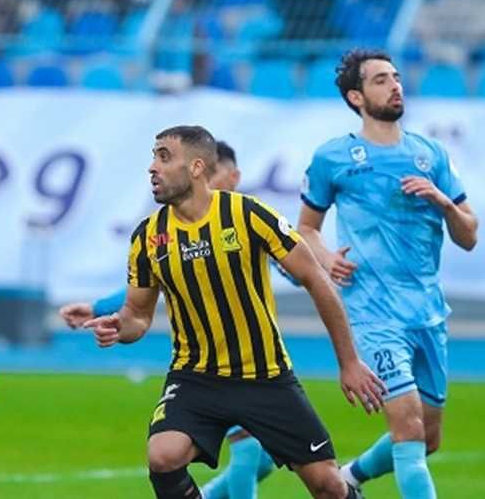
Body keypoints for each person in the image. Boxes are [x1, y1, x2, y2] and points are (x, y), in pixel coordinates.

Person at [83, 125, 384, 499]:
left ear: (196, 167)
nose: (152, 167)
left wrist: (349, 362)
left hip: (265, 376)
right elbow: (137, 315)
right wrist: (120, 326)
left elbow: (316, 279)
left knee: (328, 487)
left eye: (164, 157)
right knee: (163, 456)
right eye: (153, 157)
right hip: (196, 377)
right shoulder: (148, 236)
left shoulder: (247, 214)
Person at [298, 49, 478, 499]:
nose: (395, 85)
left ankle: (349, 479)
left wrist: (443, 202)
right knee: (409, 429)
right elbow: (306, 229)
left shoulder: (430, 154)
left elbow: (469, 235)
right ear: (356, 97)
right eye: (381, 80)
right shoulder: (334, 158)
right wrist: (324, 257)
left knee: (428, 438)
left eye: (396, 77)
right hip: (372, 313)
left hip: (428, 312)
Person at [61, 140, 278, 499]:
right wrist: (100, 307)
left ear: (233, 177)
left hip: (260, 357)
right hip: (209, 365)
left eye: (214, 173)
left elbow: (296, 261)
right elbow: (148, 286)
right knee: (247, 447)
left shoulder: (247, 219)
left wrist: (323, 267)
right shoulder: (177, 227)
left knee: (265, 460)